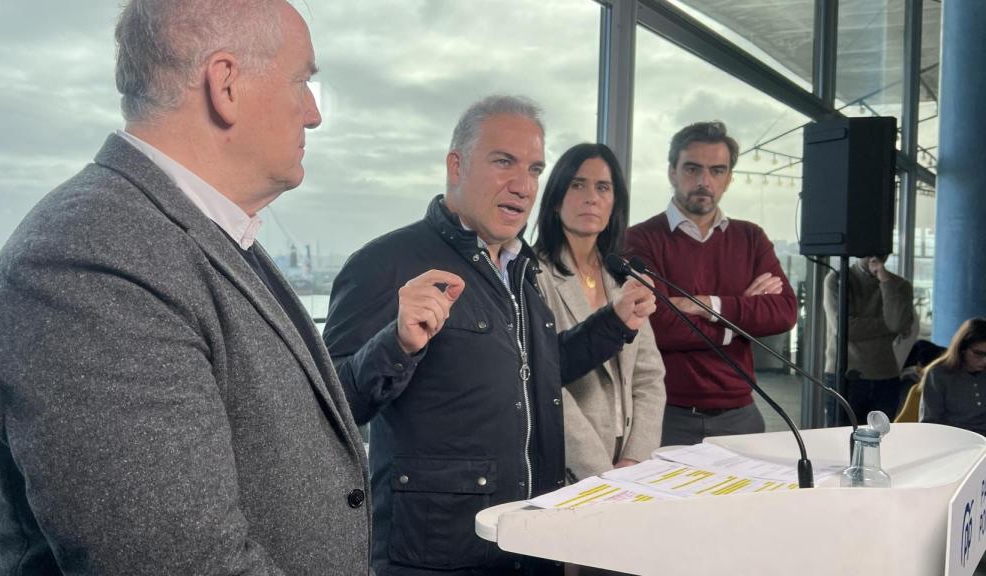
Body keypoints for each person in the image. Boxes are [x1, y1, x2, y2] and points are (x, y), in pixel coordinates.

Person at [0, 2, 370, 574]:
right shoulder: (89, 262)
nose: (312, 114)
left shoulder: (196, 235)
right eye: (302, 81)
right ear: (225, 84)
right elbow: (183, 562)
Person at [323, 95, 656, 576]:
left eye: (535, 169)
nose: (523, 186)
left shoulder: (522, 269)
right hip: (439, 554)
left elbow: (542, 371)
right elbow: (331, 408)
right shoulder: (383, 263)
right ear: (455, 165)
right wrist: (396, 344)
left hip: (531, 540)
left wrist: (615, 322)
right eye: (504, 162)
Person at [623, 121, 798, 447]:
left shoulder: (751, 238)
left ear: (729, 178)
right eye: (692, 169)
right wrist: (739, 316)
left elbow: (785, 312)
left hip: (741, 415)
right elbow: (657, 326)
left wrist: (706, 304)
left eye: (717, 171)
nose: (704, 181)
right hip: (665, 414)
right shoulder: (641, 239)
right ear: (672, 172)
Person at [532, 143, 666, 483]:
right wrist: (599, 471)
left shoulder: (623, 278)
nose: (591, 197)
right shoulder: (535, 274)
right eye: (578, 185)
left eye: (602, 187)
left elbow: (649, 376)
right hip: (570, 465)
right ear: (557, 198)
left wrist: (637, 458)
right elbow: (545, 383)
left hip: (630, 462)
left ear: (614, 204)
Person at [824, 255, 915, 422]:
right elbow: (845, 328)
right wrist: (890, 325)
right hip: (845, 374)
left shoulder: (900, 286)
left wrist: (885, 281)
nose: (875, 257)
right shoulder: (837, 279)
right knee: (841, 439)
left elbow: (897, 324)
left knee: (882, 441)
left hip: (885, 375)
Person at [919, 318, 986, 436]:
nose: (985, 361)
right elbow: (930, 423)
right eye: (978, 354)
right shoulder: (938, 374)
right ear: (962, 349)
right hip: (955, 440)